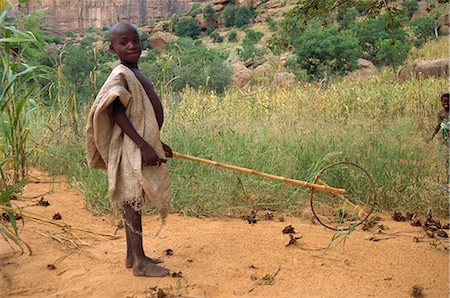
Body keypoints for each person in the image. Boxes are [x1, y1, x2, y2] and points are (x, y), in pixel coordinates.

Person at [86, 21, 173, 277]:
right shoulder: (120, 74)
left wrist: (157, 143)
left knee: (132, 201)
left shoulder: (134, 72)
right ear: (112, 48)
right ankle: (139, 264)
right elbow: (117, 114)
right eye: (123, 43)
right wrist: (144, 145)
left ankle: (133, 255)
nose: (132, 45)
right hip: (130, 147)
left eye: (135, 40)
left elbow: (142, 115)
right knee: (132, 201)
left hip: (140, 144)